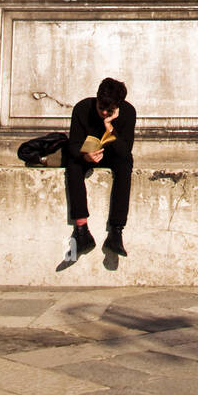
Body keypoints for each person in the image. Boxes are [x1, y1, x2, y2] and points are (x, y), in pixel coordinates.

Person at [59, 77, 135, 267]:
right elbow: (73, 144)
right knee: (73, 164)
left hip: (113, 154)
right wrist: (85, 156)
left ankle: (116, 232)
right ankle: (82, 230)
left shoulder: (128, 113)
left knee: (125, 164)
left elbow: (125, 150)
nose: (103, 112)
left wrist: (109, 126)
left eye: (109, 110)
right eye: (101, 107)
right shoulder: (82, 109)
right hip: (87, 153)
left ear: (118, 106)